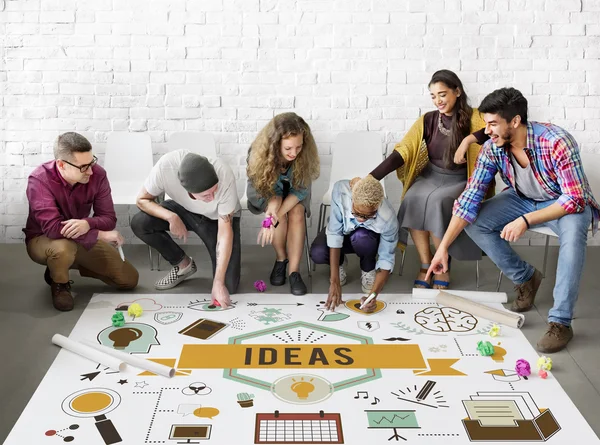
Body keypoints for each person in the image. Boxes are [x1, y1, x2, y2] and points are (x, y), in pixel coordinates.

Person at [427, 87, 600, 353]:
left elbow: (575, 198)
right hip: (522, 198)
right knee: (475, 221)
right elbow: (469, 200)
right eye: (486, 123)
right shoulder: (492, 147)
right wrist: (442, 250)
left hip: (562, 203)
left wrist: (526, 221)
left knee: (574, 237)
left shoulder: (556, 141)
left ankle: (560, 322)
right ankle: (526, 278)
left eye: (493, 123)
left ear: (515, 121)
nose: (487, 130)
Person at [370, 69, 491, 290]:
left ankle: (442, 265)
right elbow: (404, 150)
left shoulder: (476, 117)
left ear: (457, 91)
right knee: (413, 197)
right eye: (433, 96)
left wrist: (467, 142)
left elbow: (493, 129)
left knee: (437, 202)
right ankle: (427, 264)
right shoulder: (428, 119)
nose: (438, 101)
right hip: (431, 175)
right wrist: (373, 177)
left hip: (460, 180)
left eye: (442, 94)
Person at [23, 132, 139, 311]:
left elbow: (109, 219)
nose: (91, 171)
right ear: (61, 164)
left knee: (129, 279)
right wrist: (98, 234)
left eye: (92, 162)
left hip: (81, 236)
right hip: (43, 239)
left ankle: (60, 266)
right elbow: (53, 229)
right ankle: (59, 283)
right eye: (84, 167)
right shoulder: (39, 180)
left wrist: (87, 223)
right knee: (63, 248)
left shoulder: (98, 175)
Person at [131, 149, 241, 307]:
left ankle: (219, 281)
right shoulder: (164, 168)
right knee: (140, 222)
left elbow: (224, 232)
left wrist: (218, 282)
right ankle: (183, 264)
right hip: (183, 209)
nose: (212, 197)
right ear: (189, 192)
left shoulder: (224, 174)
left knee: (228, 285)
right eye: (206, 195)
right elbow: (142, 200)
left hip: (218, 218)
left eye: (214, 190)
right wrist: (171, 216)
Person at [246, 112, 320, 296]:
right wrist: (273, 211)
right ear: (275, 144)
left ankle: (293, 271)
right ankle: (281, 259)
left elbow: (301, 191)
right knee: (278, 210)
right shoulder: (258, 154)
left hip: (295, 193)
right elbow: (266, 192)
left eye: (299, 147)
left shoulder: (304, 156)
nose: (294, 153)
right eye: (288, 148)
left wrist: (274, 217)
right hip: (266, 193)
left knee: (296, 212)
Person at [310, 176, 399, 312]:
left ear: (377, 206)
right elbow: (335, 233)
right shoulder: (341, 191)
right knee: (318, 253)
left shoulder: (388, 219)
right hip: (343, 234)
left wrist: (373, 296)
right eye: (356, 213)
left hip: (366, 241)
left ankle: (368, 268)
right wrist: (335, 281)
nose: (360, 219)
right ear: (352, 199)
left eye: (368, 216)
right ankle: (339, 264)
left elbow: (386, 259)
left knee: (362, 236)